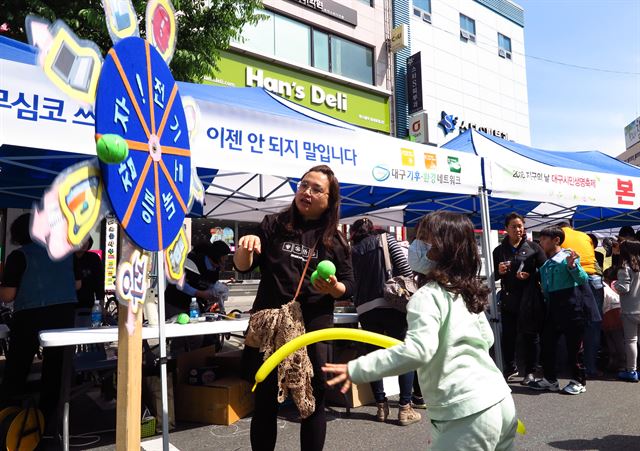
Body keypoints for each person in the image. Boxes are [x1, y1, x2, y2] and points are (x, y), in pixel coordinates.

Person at [323, 212, 517, 450]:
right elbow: (486, 339)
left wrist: (357, 368)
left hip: (465, 411)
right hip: (500, 400)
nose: (414, 245)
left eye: (422, 239)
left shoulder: (426, 297)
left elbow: (417, 352)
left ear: (442, 249)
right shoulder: (466, 291)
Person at [234, 165, 354, 451]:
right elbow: (243, 267)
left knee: (312, 400)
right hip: (270, 324)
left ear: (329, 200)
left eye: (316, 189)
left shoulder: (334, 240)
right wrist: (245, 248)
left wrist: (334, 288)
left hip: (314, 326)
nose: (307, 192)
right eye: (303, 185)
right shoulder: (272, 224)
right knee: (264, 399)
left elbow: (350, 286)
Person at [0, 213, 80, 432]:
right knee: (55, 370)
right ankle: (46, 421)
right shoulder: (65, 253)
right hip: (63, 314)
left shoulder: (19, 256)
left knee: (17, 368)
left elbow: (7, 295)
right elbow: (77, 284)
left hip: (29, 315)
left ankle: (10, 420)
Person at [349, 218, 420, 425]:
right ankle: (405, 408)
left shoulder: (352, 251)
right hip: (391, 304)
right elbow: (405, 270)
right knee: (404, 354)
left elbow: (352, 280)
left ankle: (381, 407)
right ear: (372, 229)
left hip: (365, 309)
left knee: (374, 356)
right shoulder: (386, 239)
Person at [528, 226, 600, 395]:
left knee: (574, 347)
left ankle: (579, 381)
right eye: (541, 238)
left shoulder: (568, 256)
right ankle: (550, 380)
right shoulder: (546, 264)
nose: (541, 242)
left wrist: (573, 267)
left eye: (545, 239)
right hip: (553, 309)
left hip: (572, 307)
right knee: (547, 343)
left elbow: (582, 278)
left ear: (556, 241)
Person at [492, 213, 546, 385]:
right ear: (506, 229)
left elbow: (545, 271)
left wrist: (530, 275)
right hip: (509, 299)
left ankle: (530, 371)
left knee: (531, 336)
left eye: (520, 226)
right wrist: (498, 272)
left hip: (530, 299)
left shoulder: (534, 247)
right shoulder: (499, 251)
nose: (518, 229)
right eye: (514, 226)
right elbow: (494, 277)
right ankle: (510, 367)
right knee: (508, 336)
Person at [560, 221, 603, 377]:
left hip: (574, 278)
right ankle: (591, 367)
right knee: (593, 324)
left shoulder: (559, 236)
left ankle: (568, 366)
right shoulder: (585, 236)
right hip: (595, 279)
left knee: (569, 323)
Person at [165, 240, 231, 318]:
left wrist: (216, 293)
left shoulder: (215, 269)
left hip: (194, 305)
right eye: (224, 258)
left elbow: (209, 284)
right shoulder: (193, 261)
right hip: (175, 302)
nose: (225, 261)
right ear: (217, 256)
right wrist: (200, 293)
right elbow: (179, 283)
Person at [612, 240, 640, 382]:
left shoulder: (624, 267)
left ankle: (632, 371)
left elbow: (624, 288)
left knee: (631, 340)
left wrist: (614, 284)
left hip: (630, 309)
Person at [73, 236, 105, 327]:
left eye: (87, 240)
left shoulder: (93, 258)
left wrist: (101, 306)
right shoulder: (67, 258)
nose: (84, 243)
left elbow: (99, 283)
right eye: (81, 239)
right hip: (69, 304)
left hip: (88, 304)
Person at [601, 267, 625, 373]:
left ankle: (616, 362)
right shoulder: (613, 286)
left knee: (613, 340)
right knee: (618, 340)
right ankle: (621, 363)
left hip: (609, 313)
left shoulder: (604, 286)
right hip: (615, 311)